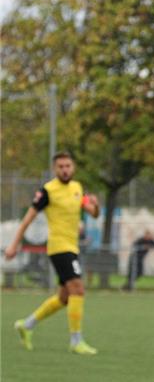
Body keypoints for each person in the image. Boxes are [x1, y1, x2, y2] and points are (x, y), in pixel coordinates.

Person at [4, 151, 101, 355]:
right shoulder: (47, 191)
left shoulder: (77, 188)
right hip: (59, 247)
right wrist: (14, 244)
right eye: (61, 167)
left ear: (73, 167)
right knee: (78, 290)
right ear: (54, 169)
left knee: (65, 297)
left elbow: (93, 212)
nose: (65, 170)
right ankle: (76, 340)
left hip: (72, 247)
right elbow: (27, 220)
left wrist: (96, 205)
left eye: (68, 166)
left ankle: (26, 325)